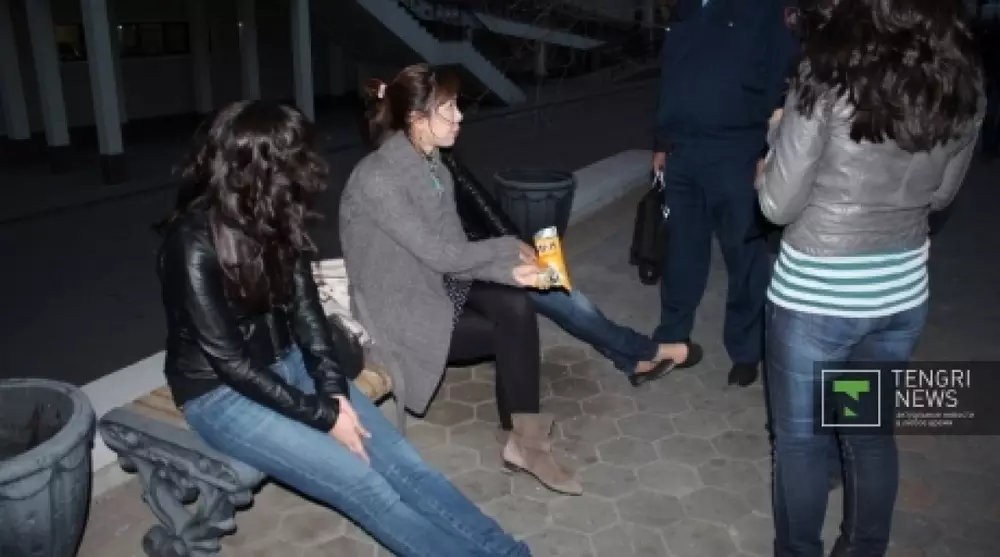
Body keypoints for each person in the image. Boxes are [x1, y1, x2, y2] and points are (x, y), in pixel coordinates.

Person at [156, 100, 532, 557]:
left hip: (290, 364)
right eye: (295, 160)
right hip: (219, 395)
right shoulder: (191, 244)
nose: (309, 171)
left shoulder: (276, 214)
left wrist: (333, 393)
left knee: (406, 466)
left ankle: (508, 553)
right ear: (259, 168)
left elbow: (307, 315)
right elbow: (231, 364)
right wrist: (325, 417)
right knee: (365, 487)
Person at [757, 0, 985, 554]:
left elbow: (777, 204)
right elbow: (940, 196)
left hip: (817, 301)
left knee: (802, 444)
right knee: (868, 434)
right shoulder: (961, 80)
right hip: (898, 296)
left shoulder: (826, 72)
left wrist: (774, 146)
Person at [340, 64, 582, 495]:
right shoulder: (378, 178)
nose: (460, 117)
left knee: (517, 303)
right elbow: (442, 255)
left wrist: (511, 270)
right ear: (417, 119)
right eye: (449, 108)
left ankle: (524, 442)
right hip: (396, 310)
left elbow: (453, 252)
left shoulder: (434, 166)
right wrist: (507, 247)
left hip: (432, 282)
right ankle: (524, 441)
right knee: (510, 327)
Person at [444, 149, 702, 387]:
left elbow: (477, 199)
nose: (458, 120)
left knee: (560, 292)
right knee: (558, 298)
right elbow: (440, 252)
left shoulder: (439, 156)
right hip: (453, 277)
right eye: (448, 116)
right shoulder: (418, 172)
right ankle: (649, 351)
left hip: (479, 258)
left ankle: (633, 360)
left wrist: (514, 242)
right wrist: (498, 256)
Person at [651, 0, 800, 386]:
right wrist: (661, 142)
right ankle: (673, 337)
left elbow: (783, 76)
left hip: (738, 152)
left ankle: (746, 352)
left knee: (744, 256)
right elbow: (671, 77)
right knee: (681, 253)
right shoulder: (686, 9)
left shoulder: (765, 8)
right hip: (682, 151)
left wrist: (767, 148)